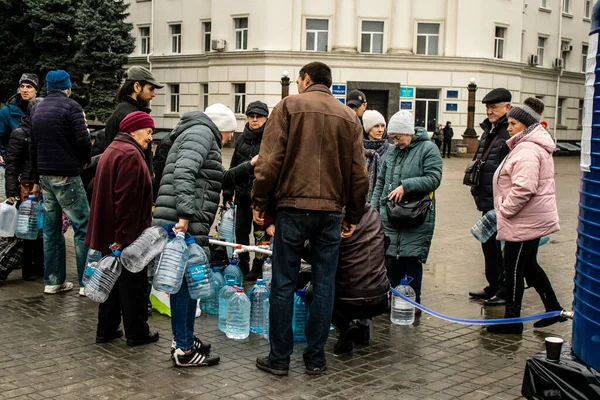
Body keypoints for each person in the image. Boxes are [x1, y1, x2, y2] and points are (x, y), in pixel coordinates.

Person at [252, 61, 369, 376]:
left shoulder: (288, 106)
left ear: (305, 79)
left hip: (292, 208)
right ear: (329, 84)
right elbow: (360, 173)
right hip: (331, 212)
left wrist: (260, 202)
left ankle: (279, 359)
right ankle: (316, 359)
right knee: (325, 283)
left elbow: (268, 162)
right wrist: (354, 214)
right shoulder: (347, 116)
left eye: (300, 79)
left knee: (283, 284)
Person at [153, 103, 257, 367]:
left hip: (190, 221)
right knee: (186, 285)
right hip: (185, 222)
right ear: (221, 127)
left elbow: (218, 178)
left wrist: (249, 166)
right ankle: (184, 350)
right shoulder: (201, 133)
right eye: (229, 133)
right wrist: (186, 215)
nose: (229, 139)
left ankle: (184, 339)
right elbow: (184, 173)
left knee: (189, 283)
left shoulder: (199, 134)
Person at [487, 98, 565, 334]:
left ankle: (512, 320)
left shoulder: (529, 149)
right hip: (528, 219)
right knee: (529, 266)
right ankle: (553, 308)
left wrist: (505, 209)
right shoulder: (526, 146)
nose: (508, 128)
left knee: (513, 268)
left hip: (523, 220)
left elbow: (524, 188)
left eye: (513, 123)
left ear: (526, 125)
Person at [86, 111, 159, 346]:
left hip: (112, 231)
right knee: (133, 285)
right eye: (148, 132)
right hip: (126, 234)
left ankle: (106, 330)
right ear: (133, 130)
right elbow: (126, 200)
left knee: (113, 280)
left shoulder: (114, 149)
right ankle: (137, 333)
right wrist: (124, 236)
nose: (150, 138)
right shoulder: (129, 154)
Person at [371, 111, 443, 310]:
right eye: (392, 138)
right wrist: (374, 210)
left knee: (411, 259)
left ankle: (412, 304)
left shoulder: (429, 149)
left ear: (409, 132)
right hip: (391, 216)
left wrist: (406, 186)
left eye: (398, 137)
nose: (395, 142)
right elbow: (381, 183)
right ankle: (394, 302)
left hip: (416, 216)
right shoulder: (393, 152)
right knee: (392, 259)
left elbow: (434, 178)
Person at [30, 70, 91, 295]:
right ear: (67, 88)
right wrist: (84, 161)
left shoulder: (37, 109)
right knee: (83, 227)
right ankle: (86, 283)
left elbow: (32, 146)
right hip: (67, 175)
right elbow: (83, 140)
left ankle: (53, 281)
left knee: (51, 229)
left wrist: (36, 175)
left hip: (45, 176)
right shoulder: (72, 107)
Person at [468, 88, 512, 306]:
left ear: (507, 108)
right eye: (487, 107)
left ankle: (504, 290)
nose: (489, 111)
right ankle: (493, 285)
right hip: (487, 198)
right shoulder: (490, 130)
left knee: (499, 247)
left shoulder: (508, 132)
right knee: (488, 245)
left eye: (494, 107)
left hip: (501, 202)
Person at [332, 203, 390, 354]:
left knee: (315, 291)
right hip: (380, 297)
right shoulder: (374, 214)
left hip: (350, 299)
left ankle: (346, 325)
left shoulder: (338, 216)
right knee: (365, 274)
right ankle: (363, 328)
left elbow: (318, 253)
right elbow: (385, 244)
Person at [222, 101, 270, 281]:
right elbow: (233, 165)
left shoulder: (270, 139)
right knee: (241, 233)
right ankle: (242, 265)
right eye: (251, 116)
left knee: (260, 235)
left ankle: (258, 267)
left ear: (266, 118)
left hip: (260, 198)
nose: (255, 120)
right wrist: (227, 191)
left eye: (258, 116)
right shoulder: (242, 138)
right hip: (242, 195)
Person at [97, 66, 163, 178]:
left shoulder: (121, 111)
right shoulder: (132, 116)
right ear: (137, 86)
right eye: (150, 89)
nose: (153, 94)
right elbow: (133, 157)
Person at [4, 98, 44, 280]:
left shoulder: (42, 131)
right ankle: (29, 269)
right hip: (25, 186)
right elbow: (12, 165)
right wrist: (11, 191)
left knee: (40, 229)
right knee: (28, 229)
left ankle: (38, 266)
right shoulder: (20, 133)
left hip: (39, 184)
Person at [0, 73, 39, 159]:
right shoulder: (7, 111)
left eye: (29, 87)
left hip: (36, 162)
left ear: (36, 90)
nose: (24, 90)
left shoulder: (42, 110)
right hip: (13, 162)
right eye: (22, 86)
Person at [362, 109, 389, 202]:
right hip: (361, 201)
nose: (380, 130)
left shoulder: (390, 149)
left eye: (382, 126)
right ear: (368, 129)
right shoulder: (359, 150)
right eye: (376, 126)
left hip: (384, 199)